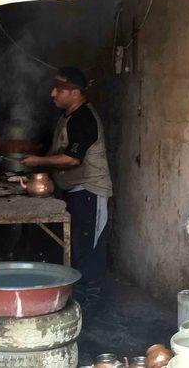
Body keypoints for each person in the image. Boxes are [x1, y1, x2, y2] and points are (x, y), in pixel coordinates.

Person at [21, 67, 113, 284]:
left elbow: (73, 159)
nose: (53, 93)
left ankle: (90, 302)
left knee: (89, 249)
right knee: (75, 247)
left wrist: (38, 161)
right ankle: (75, 295)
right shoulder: (68, 116)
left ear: (75, 93)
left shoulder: (84, 117)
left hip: (90, 192)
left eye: (59, 89)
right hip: (74, 191)